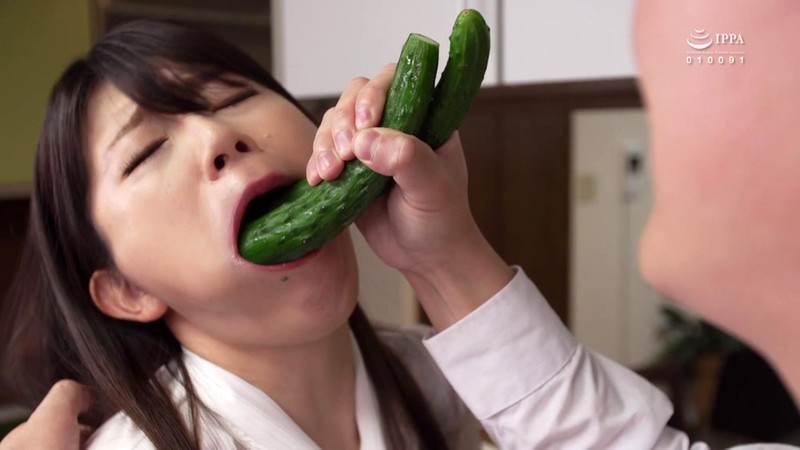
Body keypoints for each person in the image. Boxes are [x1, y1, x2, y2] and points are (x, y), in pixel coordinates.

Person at [4, 0, 800, 448]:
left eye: (233, 96)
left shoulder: (449, 383)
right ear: (125, 290)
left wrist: (448, 257)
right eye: (146, 152)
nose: (219, 137)